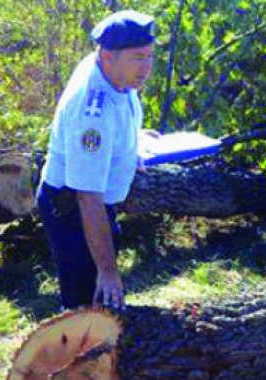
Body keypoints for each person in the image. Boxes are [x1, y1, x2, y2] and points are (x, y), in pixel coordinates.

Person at [36, 10, 158, 310]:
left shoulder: (113, 73)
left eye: (150, 57)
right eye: (137, 58)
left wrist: (131, 145)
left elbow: (121, 110)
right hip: (73, 209)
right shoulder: (92, 113)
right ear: (107, 56)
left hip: (93, 202)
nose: (146, 68)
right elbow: (87, 197)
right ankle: (77, 353)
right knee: (86, 303)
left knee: (101, 301)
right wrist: (108, 271)